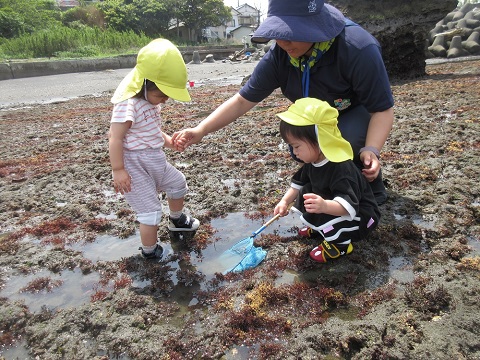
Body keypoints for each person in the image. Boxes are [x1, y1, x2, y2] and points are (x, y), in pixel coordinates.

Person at [172, 0, 394, 209]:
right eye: (278, 34)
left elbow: (382, 109)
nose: (282, 42)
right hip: (311, 119)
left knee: (343, 141)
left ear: (315, 25)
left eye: (291, 34)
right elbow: (242, 101)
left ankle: (368, 186)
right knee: (301, 143)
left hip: (353, 111)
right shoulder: (280, 56)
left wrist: (371, 149)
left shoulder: (357, 48)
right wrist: (201, 129)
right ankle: (329, 186)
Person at [108, 39, 199, 260]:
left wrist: (170, 142)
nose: (165, 100)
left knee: (178, 184)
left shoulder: (151, 102)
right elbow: (115, 137)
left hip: (155, 159)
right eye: (161, 95)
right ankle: (150, 251)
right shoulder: (127, 104)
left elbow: (153, 132)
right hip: (134, 166)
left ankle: (176, 220)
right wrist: (118, 169)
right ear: (144, 84)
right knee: (150, 212)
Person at [274, 98, 380, 263]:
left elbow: (348, 206)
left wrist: (323, 206)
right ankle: (320, 227)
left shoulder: (341, 168)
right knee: (306, 190)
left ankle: (341, 245)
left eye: (296, 146)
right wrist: (283, 202)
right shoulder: (312, 163)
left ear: (320, 140)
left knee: (320, 202)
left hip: (361, 218)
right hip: (333, 206)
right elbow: (297, 185)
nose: (294, 153)